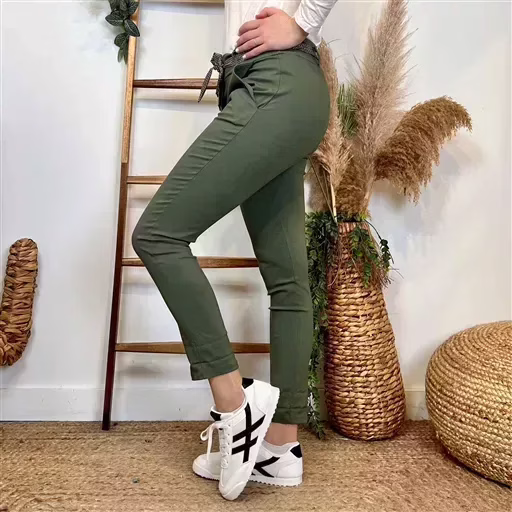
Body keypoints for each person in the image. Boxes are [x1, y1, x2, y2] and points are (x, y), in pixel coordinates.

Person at [132, 0, 337, 501]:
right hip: (279, 90)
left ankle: (234, 404)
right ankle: (280, 448)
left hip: (275, 84)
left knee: (158, 234)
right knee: (287, 279)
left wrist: (304, 22)